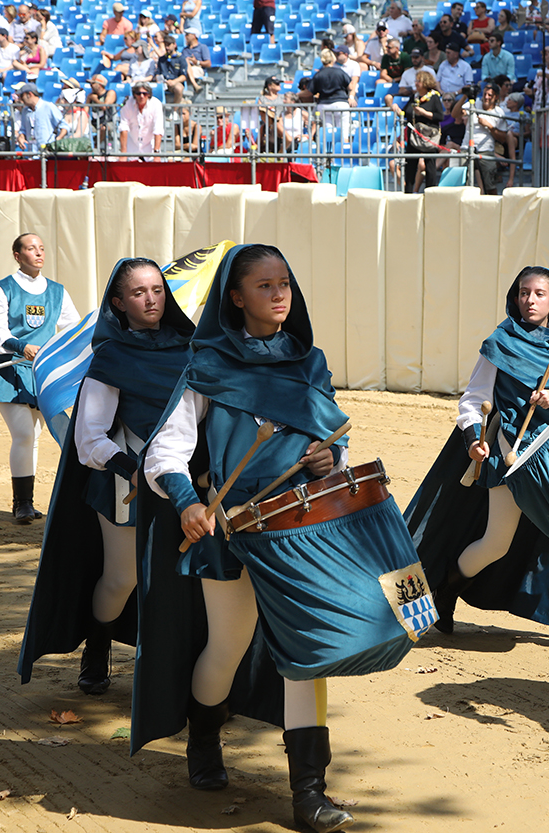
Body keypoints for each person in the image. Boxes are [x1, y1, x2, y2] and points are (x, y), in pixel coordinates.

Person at [134, 244, 433, 833]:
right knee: (227, 646)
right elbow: (164, 451)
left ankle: (309, 793)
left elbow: (333, 435)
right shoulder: (206, 364)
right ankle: (203, 740)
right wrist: (190, 501)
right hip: (233, 530)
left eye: (285, 284)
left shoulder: (308, 361)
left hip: (301, 530)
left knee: (307, 654)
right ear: (236, 297)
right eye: (265, 285)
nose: (279, 294)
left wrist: (328, 457)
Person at [405, 266, 549, 662]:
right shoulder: (500, 343)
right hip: (510, 455)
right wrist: (473, 440)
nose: (530, 299)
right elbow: (473, 400)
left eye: (538, 294)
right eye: (523, 292)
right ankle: (446, 590)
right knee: (496, 543)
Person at [18, 258, 194, 697]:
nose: (151, 299)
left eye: (157, 289)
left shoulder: (193, 347)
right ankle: (97, 647)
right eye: (138, 293)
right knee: (121, 579)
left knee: (188, 577)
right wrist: (130, 470)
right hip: (124, 481)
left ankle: (181, 668)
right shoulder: (111, 355)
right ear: (118, 302)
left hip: (186, 479)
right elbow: (89, 437)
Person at [0, 233, 81, 524]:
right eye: (31, 249)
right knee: (24, 434)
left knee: (34, 437)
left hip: (41, 374)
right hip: (9, 370)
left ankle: (27, 503)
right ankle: (21, 504)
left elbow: (71, 326)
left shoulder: (58, 291)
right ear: (17, 255)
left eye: (42, 248)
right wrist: (22, 346)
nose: (38, 253)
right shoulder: (2, 289)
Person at [392, 70, 444, 191]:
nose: (416, 83)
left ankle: (430, 194)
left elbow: (439, 116)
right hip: (414, 137)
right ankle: (409, 194)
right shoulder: (414, 97)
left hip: (428, 137)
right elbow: (406, 113)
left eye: (418, 81)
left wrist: (424, 113)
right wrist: (396, 109)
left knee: (430, 166)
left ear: (425, 82)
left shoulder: (434, 97)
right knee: (410, 166)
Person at [311, 47, 356, 143]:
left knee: (329, 132)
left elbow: (311, 90)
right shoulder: (339, 71)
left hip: (324, 105)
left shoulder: (319, 74)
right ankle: (343, 155)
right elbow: (351, 87)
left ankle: (330, 156)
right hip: (340, 103)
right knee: (343, 133)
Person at [15, 81, 67, 151]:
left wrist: (56, 141)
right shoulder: (25, 111)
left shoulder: (49, 107)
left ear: (29, 94)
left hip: (48, 153)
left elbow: (64, 127)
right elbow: (23, 130)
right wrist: (21, 137)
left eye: (21, 96)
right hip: (32, 153)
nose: (20, 99)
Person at [118, 81, 164, 159]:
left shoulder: (156, 104)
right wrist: (123, 152)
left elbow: (158, 129)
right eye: (138, 93)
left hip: (150, 147)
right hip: (132, 147)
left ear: (149, 94)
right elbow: (123, 127)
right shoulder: (127, 103)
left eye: (144, 93)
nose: (142, 96)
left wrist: (157, 154)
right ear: (134, 94)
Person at [87, 74, 117, 152]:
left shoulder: (110, 93)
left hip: (108, 122)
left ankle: (95, 147)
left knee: (103, 127)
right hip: (94, 123)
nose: (91, 86)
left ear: (99, 85)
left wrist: (95, 100)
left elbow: (105, 106)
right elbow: (85, 111)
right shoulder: (91, 96)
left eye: (93, 84)